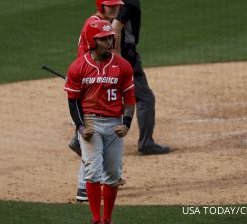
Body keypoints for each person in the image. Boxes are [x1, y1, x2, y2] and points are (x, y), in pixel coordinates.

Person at [64, 20, 135, 224]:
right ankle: (96, 219)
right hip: (91, 124)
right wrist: (80, 127)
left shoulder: (122, 66)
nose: (109, 42)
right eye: (103, 39)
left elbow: (129, 99)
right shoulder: (79, 67)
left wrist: (127, 123)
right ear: (92, 41)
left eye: (109, 38)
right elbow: (73, 101)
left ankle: (108, 219)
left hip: (114, 124)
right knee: (93, 171)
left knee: (113, 174)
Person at [69, 0, 125, 203]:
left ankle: (99, 175)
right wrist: (93, 81)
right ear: (101, 6)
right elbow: (91, 57)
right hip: (90, 84)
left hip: (94, 81)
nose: (116, 8)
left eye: (117, 5)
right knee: (91, 135)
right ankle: (84, 188)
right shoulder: (93, 24)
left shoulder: (104, 23)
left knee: (92, 138)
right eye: (111, 5)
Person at [112, 0, 171, 155]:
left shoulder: (112, 2)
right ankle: (146, 143)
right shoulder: (130, 2)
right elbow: (116, 26)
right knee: (145, 98)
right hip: (125, 57)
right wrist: (118, 58)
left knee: (105, 95)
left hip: (106, 53)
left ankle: (79, 141)